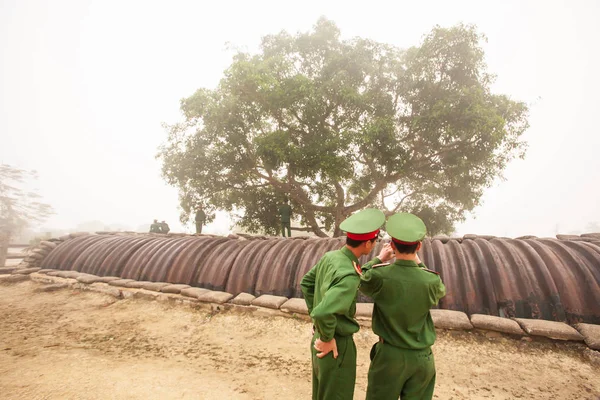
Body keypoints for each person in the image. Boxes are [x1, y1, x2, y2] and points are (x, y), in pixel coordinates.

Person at [300, 208, 394, 400]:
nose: (374, 245)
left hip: (319, 337)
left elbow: (307, 284)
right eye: (374, 242)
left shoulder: (332, 257)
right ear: (367, 243)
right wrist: (327, 337)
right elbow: (323, 312)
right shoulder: (348, 274)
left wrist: (378, 260)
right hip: (336, 343)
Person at [360, 212, 446, 400]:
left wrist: (379, 259)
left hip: (389, 357)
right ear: (419, 246)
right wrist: (418, 262)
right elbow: (440, 290)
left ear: (391, 245)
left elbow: (360, 278)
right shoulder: (431, 280)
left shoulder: (380, 276)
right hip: (423, 358)